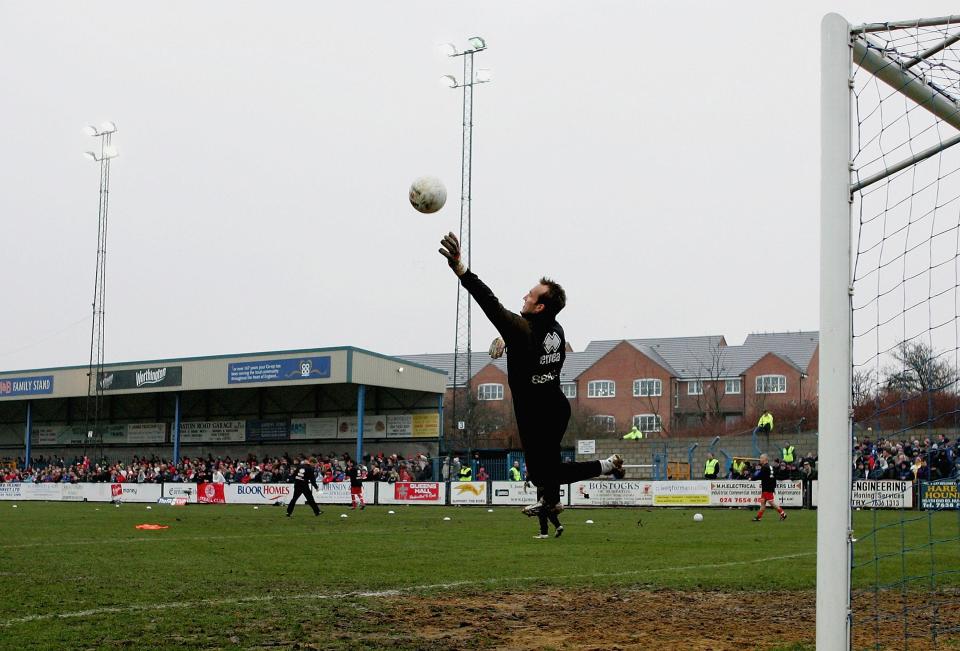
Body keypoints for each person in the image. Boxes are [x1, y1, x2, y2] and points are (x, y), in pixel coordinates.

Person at [438, 231, 623, 517]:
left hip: (536, 413)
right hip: (555, 406)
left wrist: (461, 269)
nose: (524, 296)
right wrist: (507, 340)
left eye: (531, 295)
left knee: (543, 473)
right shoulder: (555, 329)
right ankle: (552, 501)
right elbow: (527, 338)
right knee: (547, 468)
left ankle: (605, 466)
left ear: (539, 306)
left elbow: (491, 304)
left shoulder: (523, 330)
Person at [752, 453, 786, 522]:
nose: (760, 459)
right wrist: (773, 486)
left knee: (771, 502)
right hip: (768, 487)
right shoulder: (770, 467)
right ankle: (758, 517)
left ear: (765, 459)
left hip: (767, 488)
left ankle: (783, 513)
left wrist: (751, 478)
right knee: (763, 503)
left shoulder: (764, 467)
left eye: (761, 458)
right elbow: (773, 477)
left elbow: (760, 476)